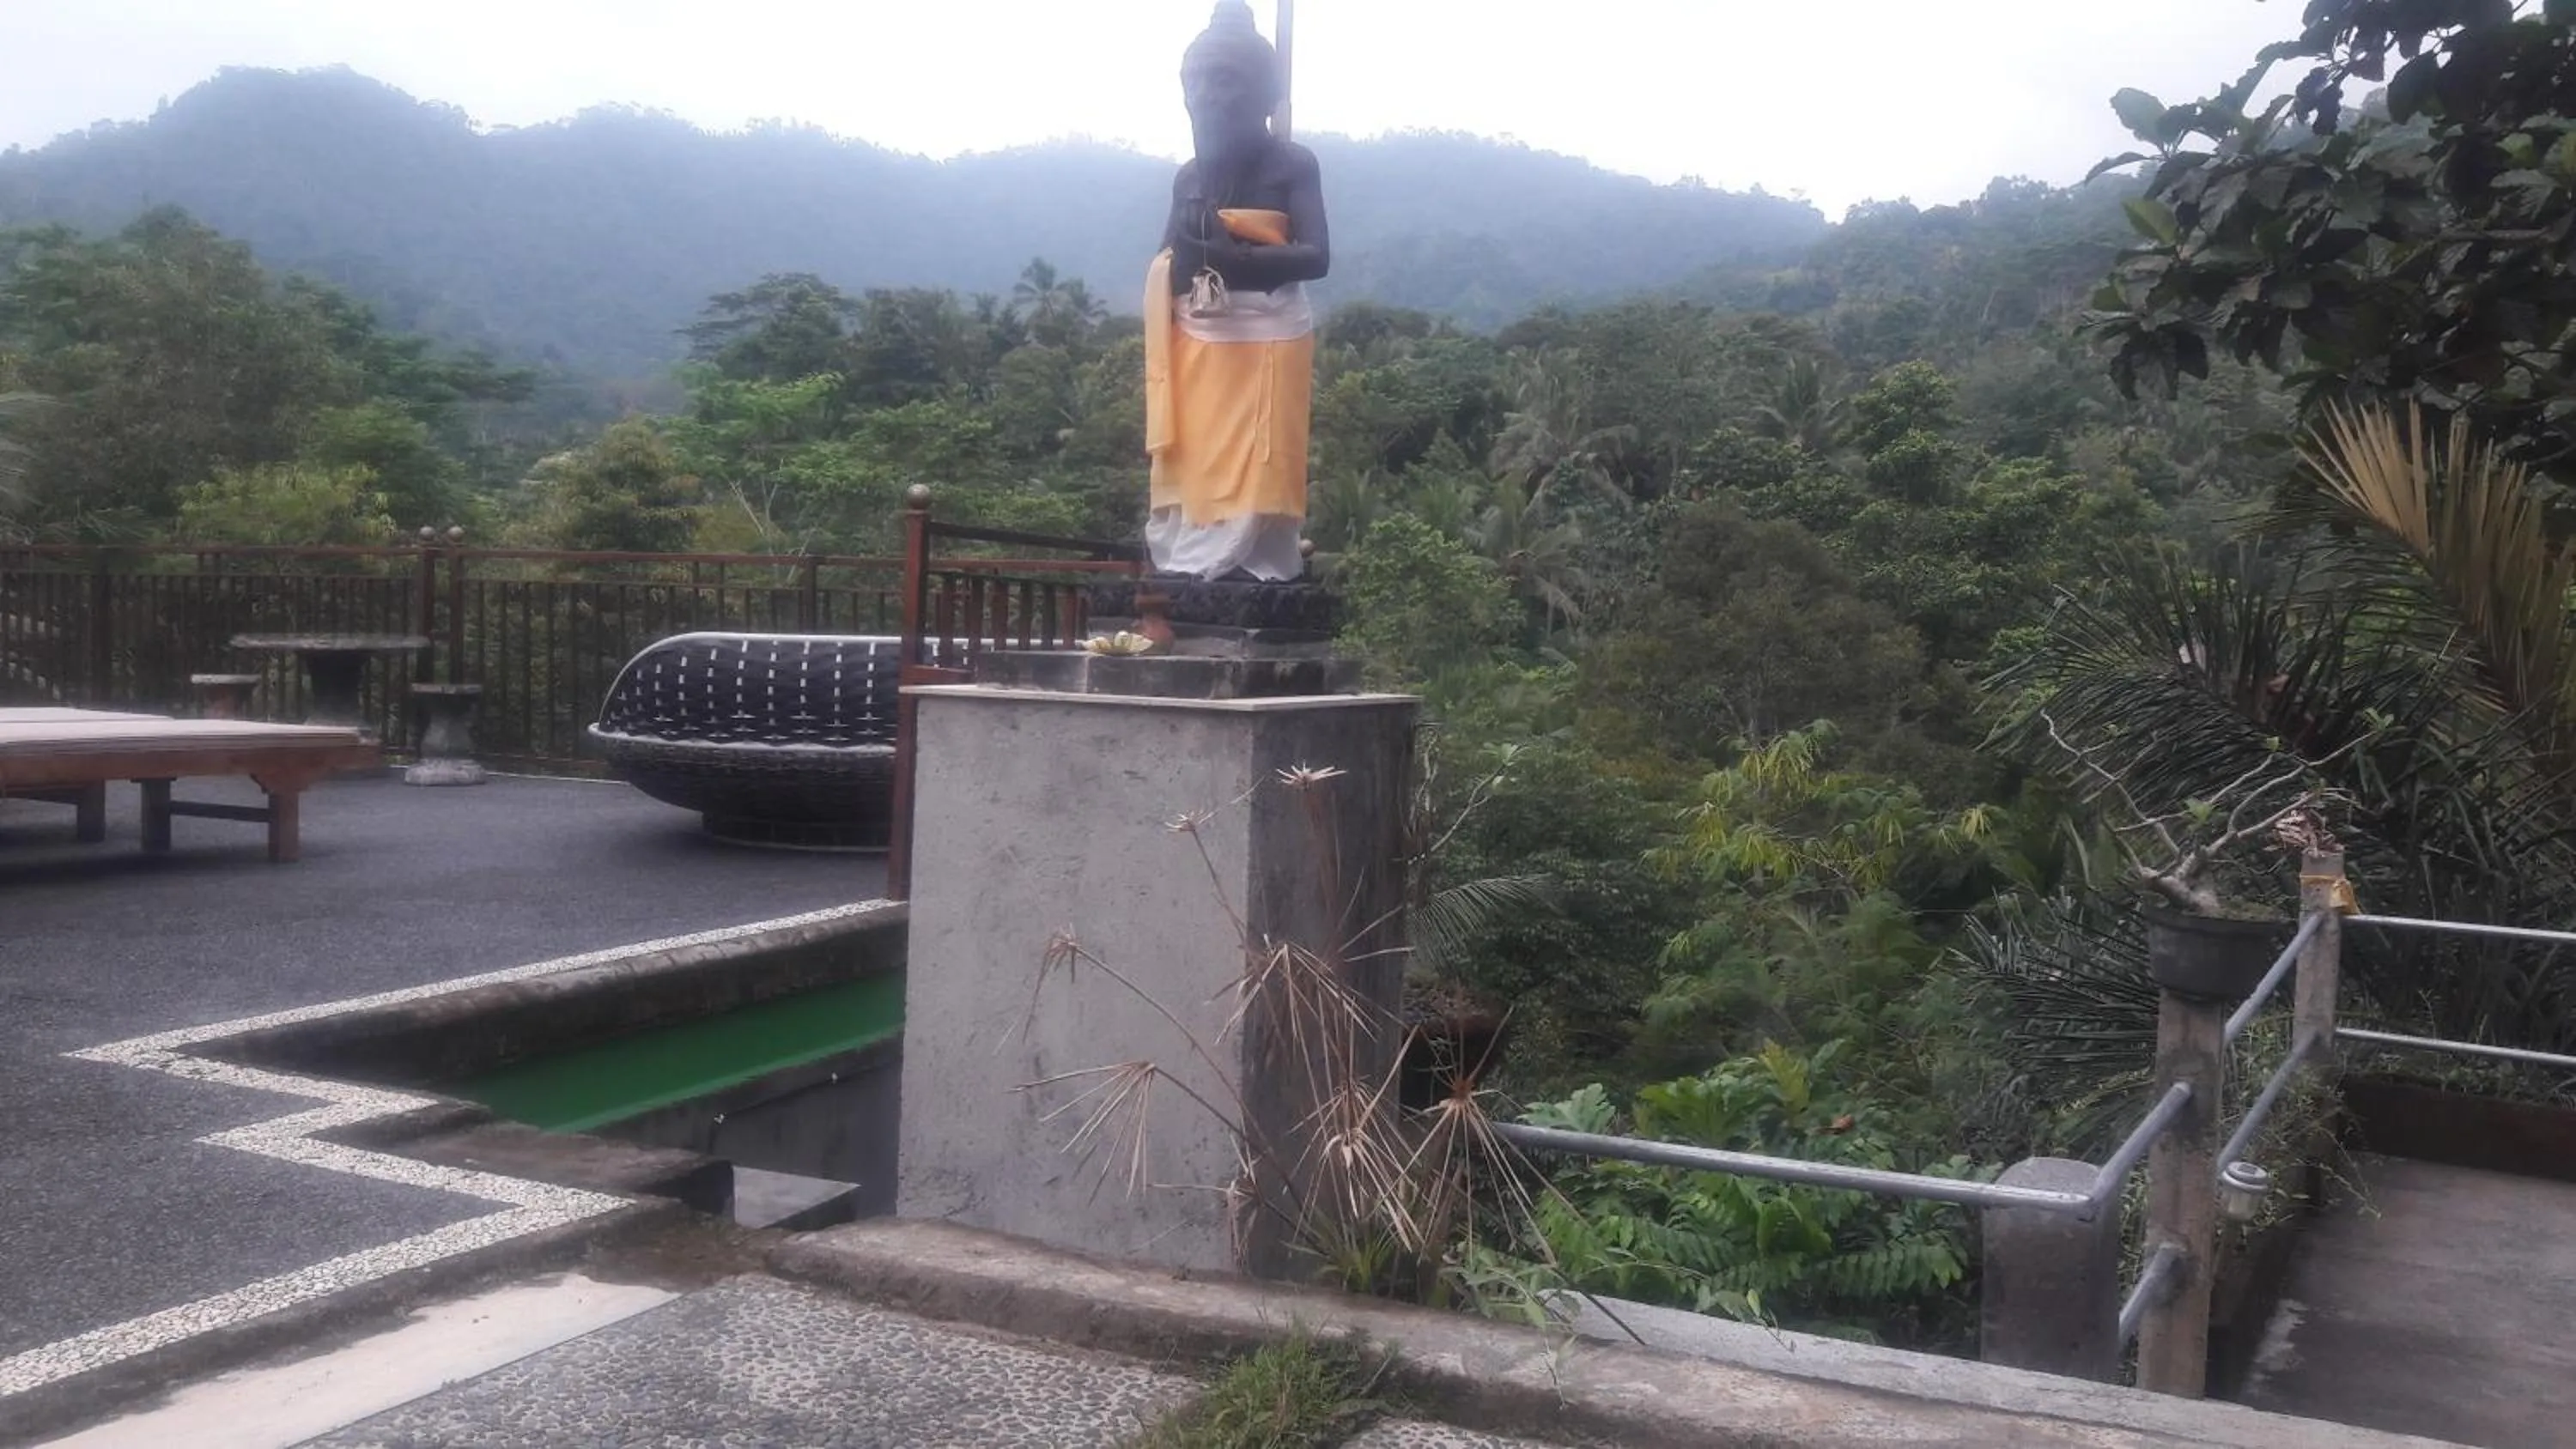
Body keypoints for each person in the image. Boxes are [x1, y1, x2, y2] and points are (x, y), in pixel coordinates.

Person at [1142, 0, 1332, 582]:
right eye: (1193, 81)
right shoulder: (1191, 177)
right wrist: (1193, 251)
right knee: (1198, 454)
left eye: (1221, 81)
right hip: (1201, 334)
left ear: (1261, 95)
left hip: (1269, 334)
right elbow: (1169, 260)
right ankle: (1191, 564)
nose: (1205, 96)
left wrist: (1235, 257)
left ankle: (1254, 569)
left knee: (1259, 459)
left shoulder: (1292, 165)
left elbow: (1317, 258)